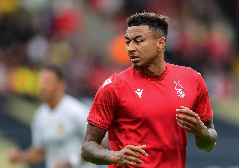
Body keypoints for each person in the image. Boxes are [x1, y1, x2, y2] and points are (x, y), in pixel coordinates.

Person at [81, 11, 218, 168]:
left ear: (161, 43)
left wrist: (201, 131)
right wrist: (116, 155)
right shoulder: (114, 86)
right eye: (128, 42)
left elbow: (208, 144)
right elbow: (88, 147)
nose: (130, 48)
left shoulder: (192, 80)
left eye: (138, 41)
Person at [8, 64, 107, 168]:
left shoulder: (75, 111)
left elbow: (100, 143)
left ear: (61, 85)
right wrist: (20, 157)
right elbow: (41, 152)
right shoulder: (40, 115)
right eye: (41, 82)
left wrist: (70, 163)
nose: (43, 86)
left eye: (48, 82)